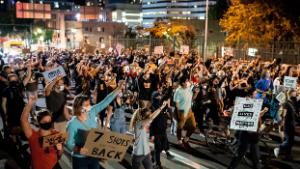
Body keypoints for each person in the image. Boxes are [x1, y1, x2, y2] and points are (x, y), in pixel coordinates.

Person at [66, 81, 124, 169]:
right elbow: (69, 143)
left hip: (93, 156)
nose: (89, 106)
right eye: (86, 105)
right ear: (79, 107)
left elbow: (105, 101)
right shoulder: (72, 124)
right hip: (80, 159)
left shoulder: (92, 111)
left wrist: (118, 88)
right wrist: (78, 150)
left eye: (89, 104)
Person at [228, 91, 269, 169]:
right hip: (245, 134)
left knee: (255, 156)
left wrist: (263, 111)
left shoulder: (254, 104)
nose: (256, 95)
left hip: (253, 133)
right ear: (250, 95)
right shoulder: (243, 104)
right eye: (255, 94)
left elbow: (256, 115)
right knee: (240, 154)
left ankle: (257, 166)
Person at [21, 95, 63, 169]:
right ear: (39, 122)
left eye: (49, 121)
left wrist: (60, 149)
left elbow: (59, 156)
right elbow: (23, 120)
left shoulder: (56, 134)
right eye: (45, 121)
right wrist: (30, 103)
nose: (47, 123)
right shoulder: (32, 136)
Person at [130, 101, 168, 169]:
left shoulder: (146, 123)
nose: (150, 115)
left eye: (150, 114)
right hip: (138, 154)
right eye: (148, 115)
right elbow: (151, 117)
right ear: (142, 116)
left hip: (146, 153)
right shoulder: (138, 124)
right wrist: (161, 107)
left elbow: (152, 117)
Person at [173, 75, 197, 146]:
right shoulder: (178, 91)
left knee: (193, 126)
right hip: (182, 111)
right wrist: (178, 113)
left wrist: (196, 93)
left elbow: (192, 99)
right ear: (183, 83)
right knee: (180, 126)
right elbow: (176, 103)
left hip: (189, 110)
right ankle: (179, 139)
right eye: (187, 81)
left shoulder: (189, 88)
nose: (188, 82)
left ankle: (187, 137)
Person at [274, 90, 296, 159]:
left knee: (290, 140)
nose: (296, 93)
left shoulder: (291, 102)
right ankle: (279, 148)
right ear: (290, 93)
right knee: (289, 140)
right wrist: (282, 123)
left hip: (292, 123)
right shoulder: (286, 103)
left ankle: (287, 155)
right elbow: (284, 114)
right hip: (288, 124)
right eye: (294, 92)